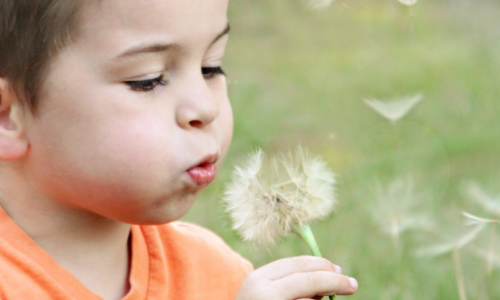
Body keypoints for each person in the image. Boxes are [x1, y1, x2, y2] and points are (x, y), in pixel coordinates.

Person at [0, 0, 358, 299]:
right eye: (148, 80)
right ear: (7, 116)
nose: (206, 107)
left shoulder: (216, 273)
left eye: (211, 67)